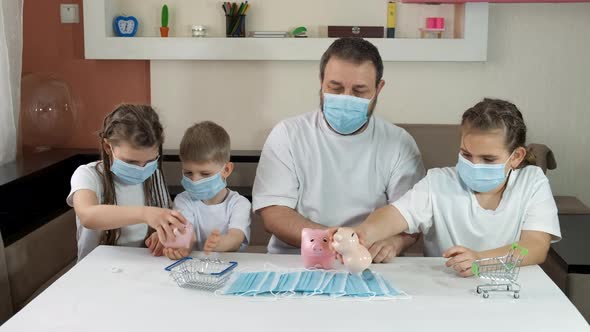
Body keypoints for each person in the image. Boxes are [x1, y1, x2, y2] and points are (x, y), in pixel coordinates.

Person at [252, 37, 425, 262]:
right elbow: (274, 214)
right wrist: (332, 240)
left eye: (359, 91)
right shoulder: (288, 134)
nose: (346, 98)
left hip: (369, 263)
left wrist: (395, 242)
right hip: (296, 260)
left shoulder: (399, 143)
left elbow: (412, 215)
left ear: (378, 88)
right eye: (335, 88)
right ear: (321, 82)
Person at [352, 98, 561, 276]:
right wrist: (361, 234)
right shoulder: (439, 182)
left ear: (516, 156)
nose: (475, 165)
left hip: (509, 289)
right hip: (445, 286)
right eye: (466, 154)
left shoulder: (532, 182)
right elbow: (394, 215)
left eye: (488, 159)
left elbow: (535, 245)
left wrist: (480, 261)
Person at [67, 104, 186, 261]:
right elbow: (88, 216)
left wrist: (162, 232)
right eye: (131, 161)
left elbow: (166, 217)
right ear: (108, 147)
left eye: (150, 160)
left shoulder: (153, 174)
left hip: (144, 265)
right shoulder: (88, 175)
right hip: (96, 270)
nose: (141, 169)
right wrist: (145, 214)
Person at [160, 121, 252, 260]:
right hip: (194, 266)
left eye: (205, 174)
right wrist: (181, 248)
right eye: (188, 173)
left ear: (226, 170)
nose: (195, 180)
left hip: (230, 266)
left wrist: (220, 243)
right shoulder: (183, 200)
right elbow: (188, 235)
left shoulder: (239, 204)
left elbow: (236, 238)